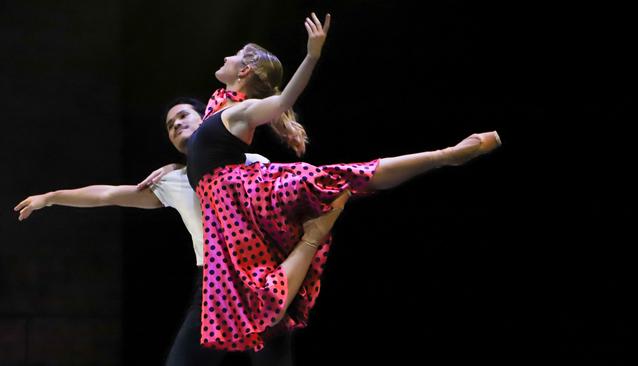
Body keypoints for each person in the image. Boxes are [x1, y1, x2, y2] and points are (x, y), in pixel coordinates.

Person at [185, 12, 502, 352]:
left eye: (232, 55)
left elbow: (281, 103)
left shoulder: (238, 112)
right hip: (226, 208)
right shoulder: (218, 109)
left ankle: (445, 155)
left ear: (244, 70)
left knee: (348, 175)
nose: (225, 58)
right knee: (250, 300)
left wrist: (312, 55)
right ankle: (309, 246)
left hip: (246, 194)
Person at [15, 97, 349, 366]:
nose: (176, 125)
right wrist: (52, 197)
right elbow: (109, 193)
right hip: (213, 284)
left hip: (261, 278)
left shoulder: (254, 163)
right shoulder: (174, 180)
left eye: (183, 117)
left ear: (207, 118)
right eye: (170, 126)